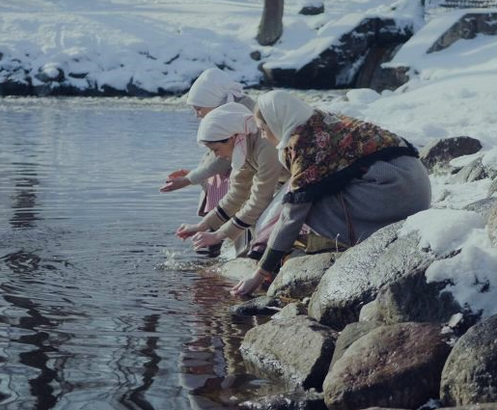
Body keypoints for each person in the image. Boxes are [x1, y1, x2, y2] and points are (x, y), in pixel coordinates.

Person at [231, 90, 432, 296]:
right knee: (308, 196)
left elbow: (292, 215)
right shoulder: (318, 119)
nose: (262, 135)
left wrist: (260, 273)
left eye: (263, 129)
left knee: (309, 208)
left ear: (276, 122)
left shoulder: (305, 144)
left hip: (398, 192)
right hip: (415, 184)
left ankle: (334, 245)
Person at [160, 68, 255, 255]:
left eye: (198, 109)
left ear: (214, 102)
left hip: (255, 184)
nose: (197, 115)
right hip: (247, 181)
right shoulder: (230, 109)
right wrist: (192, 174)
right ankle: (215, 233)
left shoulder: (238, 113)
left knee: (219, 181)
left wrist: (188, 180)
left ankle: (224, 236)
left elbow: (221, 162)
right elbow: (216, 155)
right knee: (214, 179)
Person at [175, 103, 288, 255]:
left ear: (231, 138)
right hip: (282, 183)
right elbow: (237, 194)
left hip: (302, 182)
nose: (216, 156)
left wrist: (218, 235)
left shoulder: (264, 145)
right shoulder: (242, 146)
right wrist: (201, 226)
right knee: (248, 216)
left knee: (262, 220)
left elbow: (260, 199)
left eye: (216, 150)